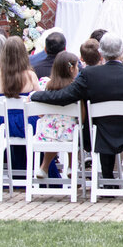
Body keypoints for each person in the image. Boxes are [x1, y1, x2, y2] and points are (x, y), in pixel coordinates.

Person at [31, 32, 123, 184]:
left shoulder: (89, 74)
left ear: (101, 53)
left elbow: (64, 96)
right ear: (122, 50)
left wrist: (35, 95)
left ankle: (107, 180)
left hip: (100, 135)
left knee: (103, 127)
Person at [0, 36, 41, 175]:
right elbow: (39, 102)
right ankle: (35, 170)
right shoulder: (30, 76)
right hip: (26, 125)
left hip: (2, 125)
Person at [32, 50, 81, 178]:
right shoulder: (76, 88)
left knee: (55, 127)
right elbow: (81, 115)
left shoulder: (45, 85)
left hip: (46, 133)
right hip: (70, 135)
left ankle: (44, 166)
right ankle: (71, 165)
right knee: (72, 128)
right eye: (77, 66)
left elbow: (40, 114)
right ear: (71, 69)